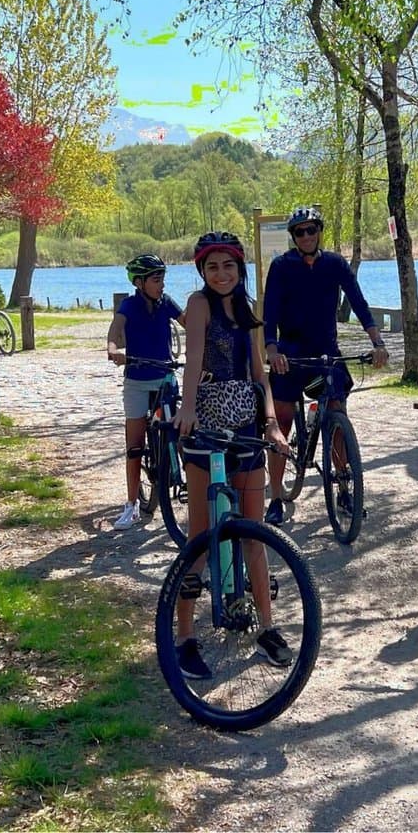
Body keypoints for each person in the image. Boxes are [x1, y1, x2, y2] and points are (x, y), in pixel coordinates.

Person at [172, 231, 291, 680]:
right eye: (212, 267)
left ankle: (267, 627)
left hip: (246, 427)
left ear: (240, 269)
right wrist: (187, 408)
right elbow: (194, 361)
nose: (221, 274)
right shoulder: (199, 304)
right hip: (207, 426)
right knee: (201, 535)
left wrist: (272, 423)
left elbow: (260, 374)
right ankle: (185, 635)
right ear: (202, 271)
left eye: (228, 266)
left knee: (253, 534)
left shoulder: (248, 308)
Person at [261, 205, 389, 525]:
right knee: (282, 421)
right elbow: (270, 312)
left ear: (319, 232)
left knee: (336, 413)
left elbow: (358, 302)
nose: (306, 236)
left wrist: (377, 342)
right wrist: (271, 349)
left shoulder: (334, 263)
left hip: (326, 353)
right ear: (293, 236)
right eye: (300, 232)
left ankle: (344, 487)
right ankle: (275, 496)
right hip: (290, 354)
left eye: (311, 230)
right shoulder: (281, 266)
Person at [106, 253, 185, 529]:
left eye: (162, 279)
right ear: (139, 282)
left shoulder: (166, 303)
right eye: (156, 279)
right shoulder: (129, 305)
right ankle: (131, 504)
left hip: (165, 377)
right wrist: (113, 350)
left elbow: (189, 322)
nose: (161, 285)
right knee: (135, 445)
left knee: (181, 429)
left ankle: (185, 476)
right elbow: (115, 331)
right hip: (137, 380)